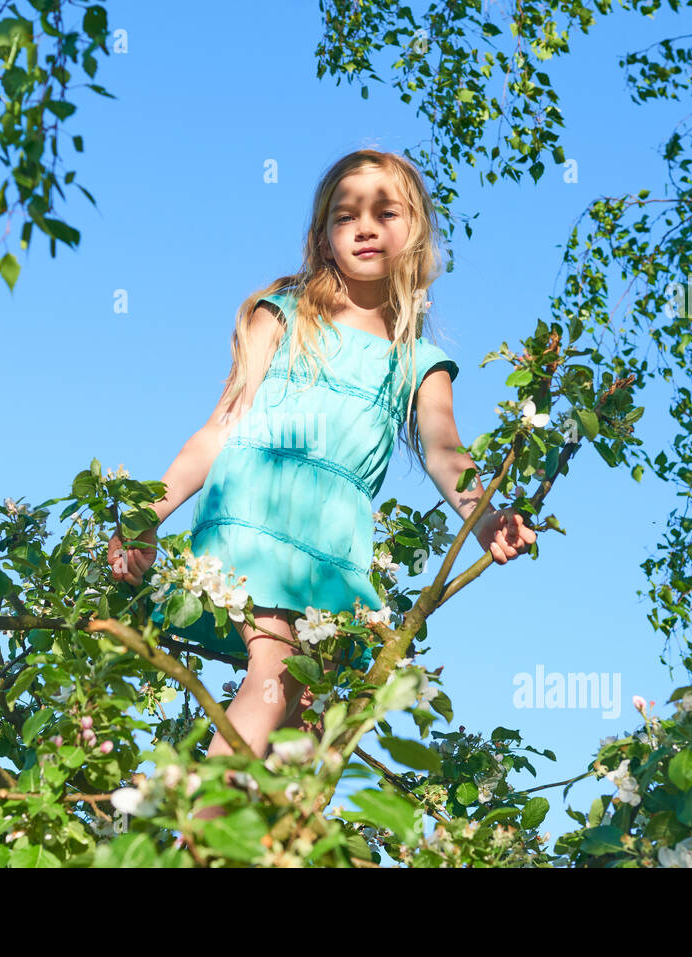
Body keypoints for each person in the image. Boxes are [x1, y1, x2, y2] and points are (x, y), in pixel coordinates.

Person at [106, 149, 535, 809]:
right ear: (323, 237)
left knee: (306, 714)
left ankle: (264, 839)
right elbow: (219, 427)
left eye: (385, 212)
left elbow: (445, 449)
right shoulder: (281, 314)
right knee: (273, 670)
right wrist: (147, 513)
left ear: (414, 233)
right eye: (347, 215)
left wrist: (485, 515)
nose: (365, 227)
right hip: (258, 510)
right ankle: (191, 835)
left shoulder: (419, 360)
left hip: (333, 546)